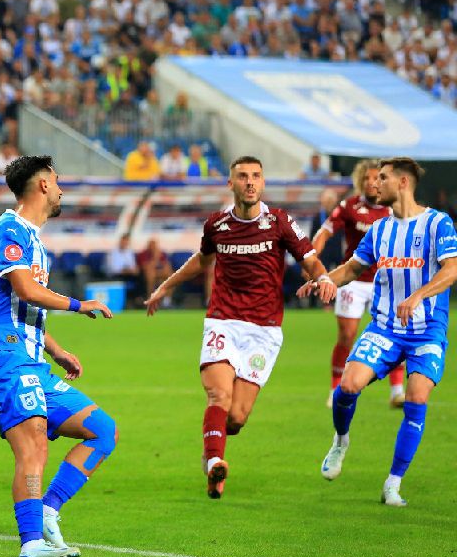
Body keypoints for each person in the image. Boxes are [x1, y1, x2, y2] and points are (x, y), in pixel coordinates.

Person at [145, 156, 332, 498]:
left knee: (237, 418)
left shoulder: (279, 222)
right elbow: (201, 261)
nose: (250, 182)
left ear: (263, 183)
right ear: (230, 184)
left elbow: (310, 259)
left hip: (264, 330)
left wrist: (322, 278)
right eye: (243, 176)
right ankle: (217, 462)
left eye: (256, 176)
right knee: (219, 394)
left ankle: (210, 449)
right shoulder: (216, 225)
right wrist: (165, 286)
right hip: (223, 321)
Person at [0, 155, 116, 557]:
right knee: (35, 444)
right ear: (40, 186)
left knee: (101, 430)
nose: (61, 189)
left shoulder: (33, 239)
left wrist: (55, 349)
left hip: (31, 360)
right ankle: (31, 543)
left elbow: (19, 303)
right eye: (57, 181)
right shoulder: (10, 229)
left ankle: (49, 511)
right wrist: (78, 304)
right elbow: (23, 288)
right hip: (6, 359)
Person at [309, 158, 457, 506]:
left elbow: (452, 270)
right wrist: (324, 280)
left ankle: (393, 482)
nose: (376, 185)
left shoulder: (438, 223)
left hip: (426, 330)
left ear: (403, 182)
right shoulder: (380, 229)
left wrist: (419, 295)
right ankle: (340, 441)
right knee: (347, 386)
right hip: (386, 327)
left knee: (416, 398)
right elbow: (353, 267)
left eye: (384, 179)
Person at [311, 160, 400, 407]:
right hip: (353, 280)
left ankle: (397, 391)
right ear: (360, 181)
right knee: (347, 336)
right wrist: (312, 257)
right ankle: (335, 388)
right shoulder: (349, 207)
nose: (372, 182)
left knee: (395, 335)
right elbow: (325, 232)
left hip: (386, 281)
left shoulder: (394, 209)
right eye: (367, 178)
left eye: (377, 178)